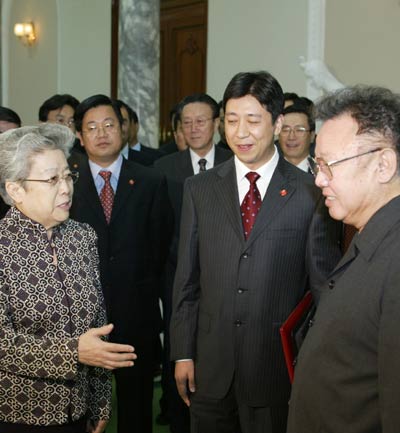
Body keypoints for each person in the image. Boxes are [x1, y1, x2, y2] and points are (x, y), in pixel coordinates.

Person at [169, 71, 342, 433]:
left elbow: (322, 289)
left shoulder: (310, 193)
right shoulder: (199, 189)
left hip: (275, 370)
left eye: (252, 120)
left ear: (277, 123)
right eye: (232, 120)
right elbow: (187, 280)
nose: (241, 132)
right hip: (210, 368)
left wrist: (314, 361)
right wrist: (182, 352)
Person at [0, 124, 136, 433]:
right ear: (16, 189)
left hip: (79, 411)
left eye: (68, 176)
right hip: (17, 415)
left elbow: (98, 323)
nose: (65, 188)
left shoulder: (82, 236)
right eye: (52, 179)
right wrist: (73, 351)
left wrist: (100, 400)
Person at [287, 85, 400, 433]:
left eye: (329, 165)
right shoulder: (369, 231)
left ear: (383, 165)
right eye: (316, 164)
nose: (319, 179)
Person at [69, 94, 173, 433]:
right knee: (80, 410)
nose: (101, 134)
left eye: (109, 125)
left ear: (123, 129)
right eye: (92, 127)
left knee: (136, 408)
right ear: (80, 136)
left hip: (136, 313)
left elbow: (161, 247)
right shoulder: (66, 181)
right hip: (79, 317)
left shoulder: (150, 180)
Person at [154, 93, 232, 433]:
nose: (194, 128)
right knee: (178, 350)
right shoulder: (163, 168)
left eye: (201, 121)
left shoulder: (234, 162)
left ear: (216, 124)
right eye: (187, 123)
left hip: (225, 276)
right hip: (177, 276)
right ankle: (178, 419)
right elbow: (158, 228)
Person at [116, 99, 164, 166]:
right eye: (110, 124)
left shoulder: (153, 161)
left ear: (131, 125)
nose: (119, 128)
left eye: (123, 122)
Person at [278, 102, 315, 172]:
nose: (291, 137)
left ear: (312, 136)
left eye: (299, 130)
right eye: (286, 130)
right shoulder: (267, 172)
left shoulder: (321, 171)